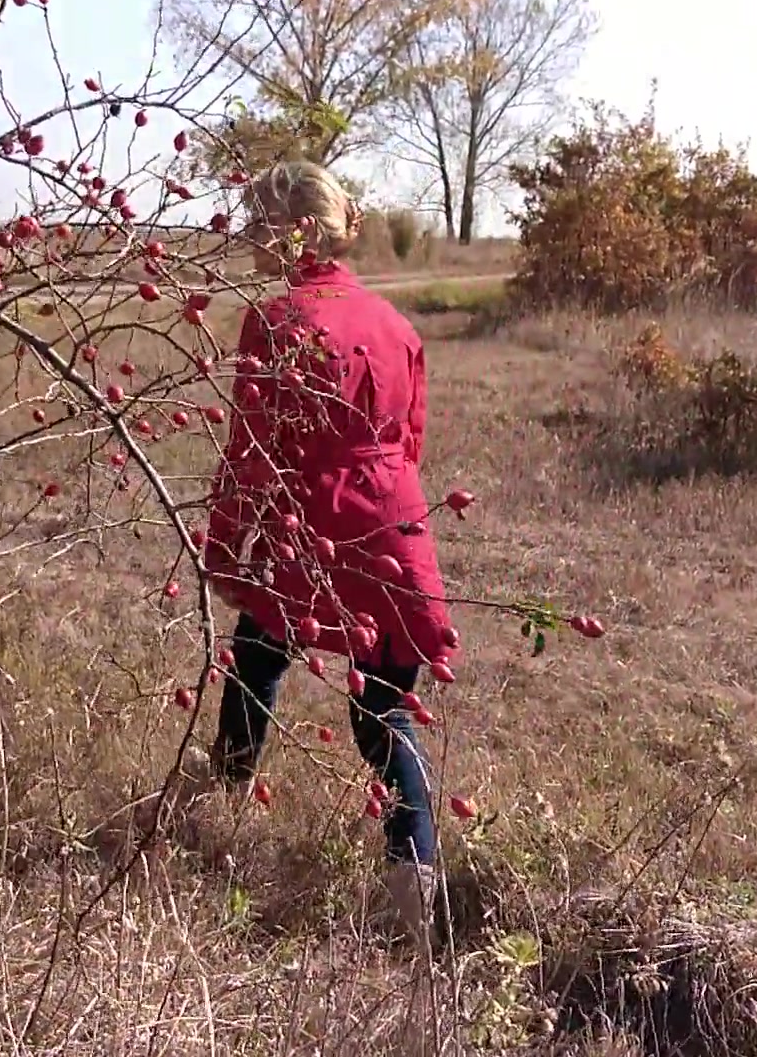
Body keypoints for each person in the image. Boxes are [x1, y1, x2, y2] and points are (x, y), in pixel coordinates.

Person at [198, 159, 459, 952]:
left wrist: (226, 544)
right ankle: (416, 893)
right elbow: (410, 442)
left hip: (309, 520)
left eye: (259, 222)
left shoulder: (275, 320)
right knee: (385, 711)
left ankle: (218, 807)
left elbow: (252, 450)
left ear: (298, 230)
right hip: (393, 523)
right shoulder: (395, 323)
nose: (248, 236)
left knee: (255, 660)